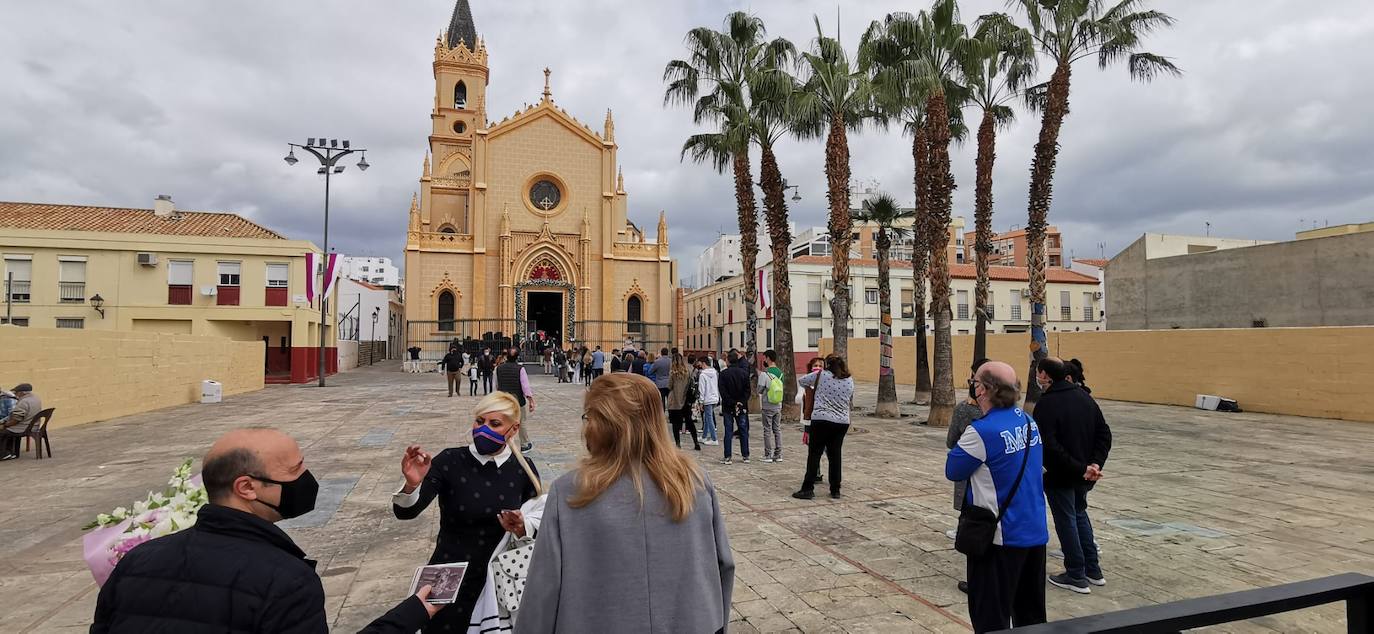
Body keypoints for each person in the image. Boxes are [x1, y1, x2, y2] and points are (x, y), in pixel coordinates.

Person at [93, 428, 440, 633]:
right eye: (296, 470)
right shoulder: (286, 580)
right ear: (247, 487)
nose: (306, 480)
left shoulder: (135, 562)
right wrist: (407, 618)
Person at [515, 374, 734, 633]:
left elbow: (544, 589)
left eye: (589, 416)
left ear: (602, 423)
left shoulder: (571, 491)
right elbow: (724, 565)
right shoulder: (695, 482)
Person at [393, 393, 541, 633]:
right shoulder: (450, 460)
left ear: (513, 429)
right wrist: (412, 485)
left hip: (498, 575)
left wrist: (522, 525)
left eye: (495, 424)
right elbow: (406, 512)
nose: (484, 429)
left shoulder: (523, 469)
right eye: (479, 421)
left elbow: (535, 520)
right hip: (447, 573)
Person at [946, 361, 1048, 633]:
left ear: (984, 390)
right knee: (1031, 615)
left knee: (990, 615)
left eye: (975, 382)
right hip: (1034, 531)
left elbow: (953, 469)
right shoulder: (1028, 422)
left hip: (999, 537)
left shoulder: (981, 431)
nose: (973, 387)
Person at [1034, 357, 1112, 594]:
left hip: (1062, 475)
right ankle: (1093, 569)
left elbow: (1048, 445)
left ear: (1045, 375)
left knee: (1067, 519)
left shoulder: (1047, 403)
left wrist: (1082, 467)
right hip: (1084, 474)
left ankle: (1076, 573)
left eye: (1038, 373)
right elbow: (1104, 434)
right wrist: (1094, 464)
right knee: (1079, 515)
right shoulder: (1085, 397)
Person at [948, 358, 989, 594]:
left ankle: (977, 581)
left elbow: (952, 446)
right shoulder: (1023, 420)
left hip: (975, 487)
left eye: (974, 381)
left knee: (974, 530)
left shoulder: (966, 412)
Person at [793, 355, 855, 499]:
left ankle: (808, 488)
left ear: (827, 365)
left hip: (821, 419)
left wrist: (812, 390)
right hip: (842, 422)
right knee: (835, 455)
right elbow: (850, 397)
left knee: (814, 454)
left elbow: (802, 381)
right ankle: (835, 489)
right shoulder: (849, 380)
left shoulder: (820, 375)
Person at [495, 348, 537, 452]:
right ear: (517, 357)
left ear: (506, 356)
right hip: (517, 400)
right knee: (521, 422)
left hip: (504, 400)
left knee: (504, 422)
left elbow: (495, 385)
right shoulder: (520, 369)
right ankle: (524, 444)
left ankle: (503, 443)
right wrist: (531, 400)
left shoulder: (498, 369)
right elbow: (525, 386)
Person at [717, 351, 752, 465]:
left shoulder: (723, 374)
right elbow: (748, 390)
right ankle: (745, 455)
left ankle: (728, 456)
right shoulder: (744, 373)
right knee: (743, 430)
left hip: (728, 406)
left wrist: (731, 402)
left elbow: (723, 392)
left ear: (727, 361)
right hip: (741, 406)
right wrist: (740, 402)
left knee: (728, 430)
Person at [666, 352, 701, 450]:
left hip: (674, 401)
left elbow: (669, 386)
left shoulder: (673, 373)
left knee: (675, 424)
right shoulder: (688, 371)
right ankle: (696, 442)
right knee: (689, 422)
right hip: (685, 400)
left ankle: (678, 443)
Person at [799, 357, 825, 485]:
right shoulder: (806, 383)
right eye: (816, 365)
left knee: (822, 449)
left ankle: (818, 473)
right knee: (813, 449)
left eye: (821, 366)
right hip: (809, 420)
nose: (818, 368)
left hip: (821, 419)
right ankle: (816, 473)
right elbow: (798, 400)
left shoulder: (826, 383)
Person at [756, 350, 785, 463]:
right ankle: (778, 454)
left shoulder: (765, 374)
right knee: (777, 429)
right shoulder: (781, 373)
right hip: (778, 404)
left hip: (767, 405)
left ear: (768, 358)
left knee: (767, 430)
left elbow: (759, 390)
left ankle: (768, 454)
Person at [2, 383, 41, 460]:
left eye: (16, 392)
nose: (16, 394)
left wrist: (5, 425)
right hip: (33, 426)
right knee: (9, 430)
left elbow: (16, 419)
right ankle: (13, 453)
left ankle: (3, 454)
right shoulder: (36, 398)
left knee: (3, 431)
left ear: (22, 393)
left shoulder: (23, 402)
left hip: (24, 428)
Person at [695, 357, 720, 446]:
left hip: (707, 398)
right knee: (706, 417)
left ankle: (714, 438)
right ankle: (704, 436)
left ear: (703, 363)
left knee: (709, 418)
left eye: (700, 363)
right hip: (714, 397)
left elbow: (702, 389)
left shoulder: (703, 375)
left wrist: (701, 401)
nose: (699, 365)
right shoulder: (715, 373)